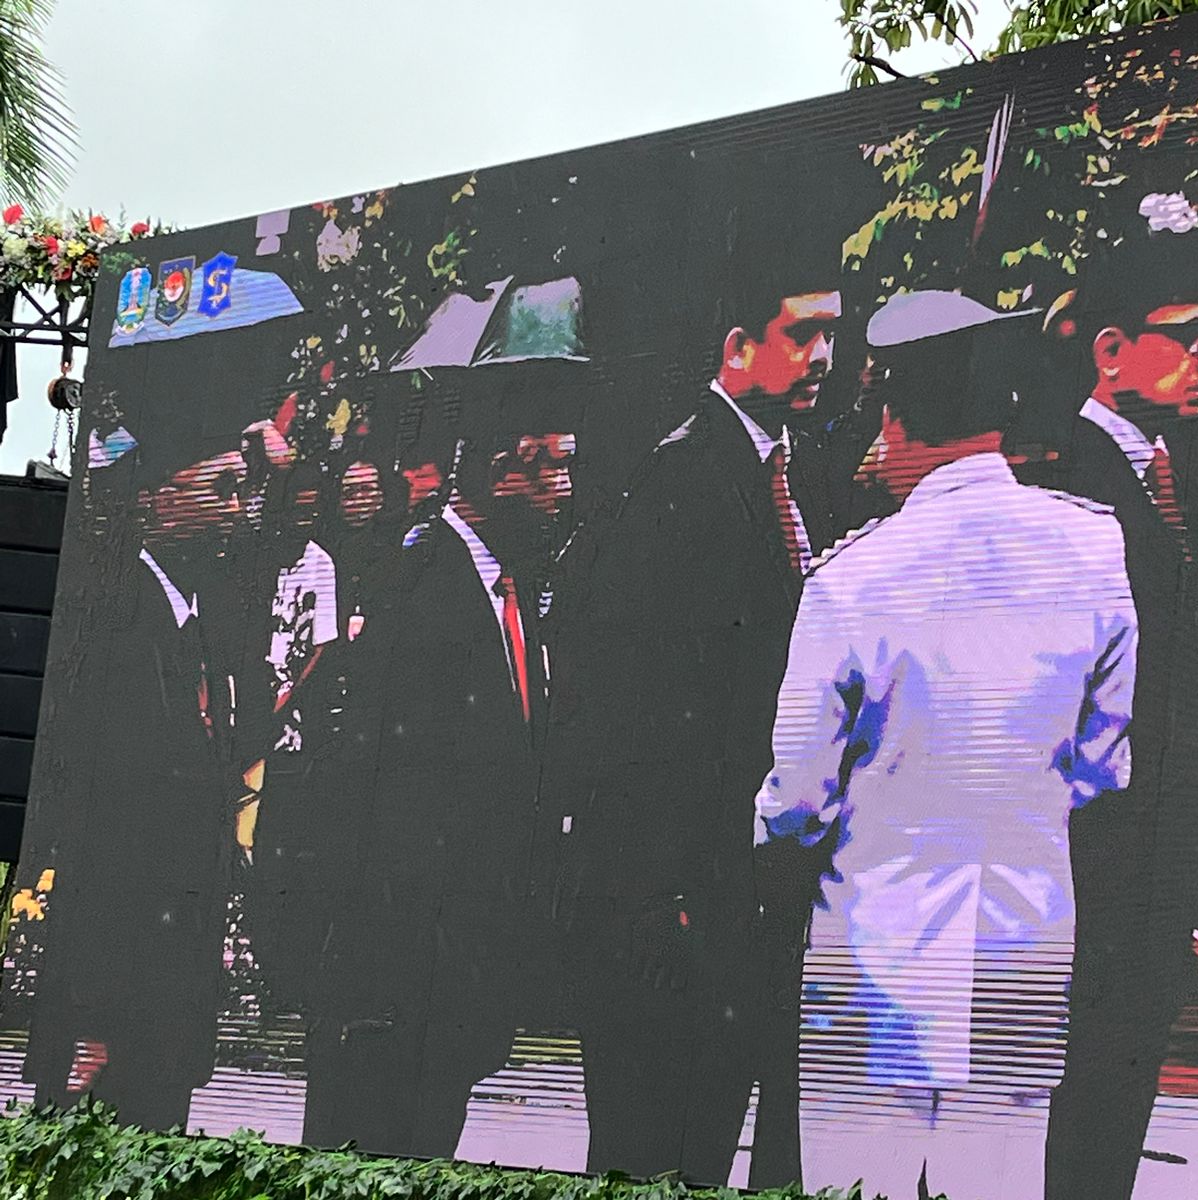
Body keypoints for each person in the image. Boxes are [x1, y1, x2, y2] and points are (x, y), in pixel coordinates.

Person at [754, 290, 1137, 1200]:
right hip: (1022, 938)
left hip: (870, 944)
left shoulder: (852, 577)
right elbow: (1102, 763)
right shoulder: (1093, 547)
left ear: (895, 412)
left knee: (857, 1182)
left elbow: (799, 795)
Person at [539, 237, 841, 1185]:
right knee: (650, 1152)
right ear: (739, 346)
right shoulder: (683, 479)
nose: (825, 357)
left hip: (721, 893)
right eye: (806, 335)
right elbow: (642, 702)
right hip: (666, 898)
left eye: (837, 334)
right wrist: (664, 894)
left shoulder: (780, 473)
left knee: (701, 1151)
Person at [1009, 226, 1198, 1200]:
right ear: (1111, 349)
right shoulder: (1060, 478)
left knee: (1118, 1085)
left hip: (1153, 860)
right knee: (1081, 1093)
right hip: (1088, 860)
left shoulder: (1173, 472)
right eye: (1189, 335)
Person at [303, 414, 556, 1158]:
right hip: (405, 955)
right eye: (547, 469)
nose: (562, 490)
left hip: (461, 951)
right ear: (495, 466)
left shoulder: (509, 584)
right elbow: (379, 771)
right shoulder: (418, 574)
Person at [21, 434, 246, 1130]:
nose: (240, 510)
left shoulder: (189, 621)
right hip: (116, 1020)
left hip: (158, 1015)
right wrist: (96, 1022)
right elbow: (110, 832)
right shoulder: (121, 621)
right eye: (221, 490)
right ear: (155, 498)